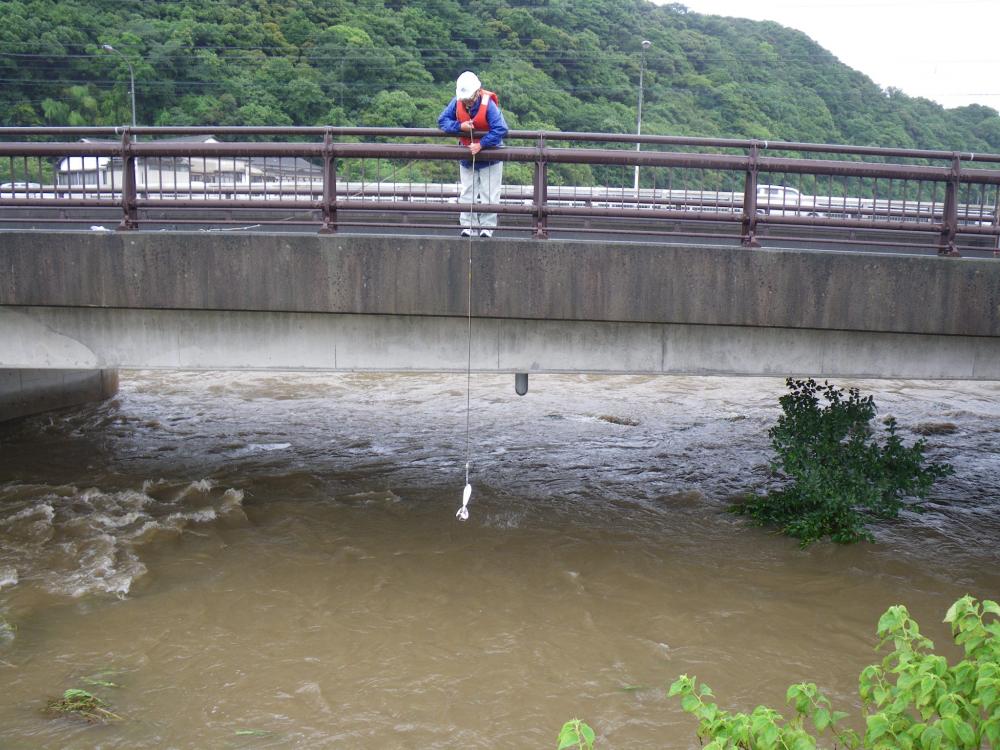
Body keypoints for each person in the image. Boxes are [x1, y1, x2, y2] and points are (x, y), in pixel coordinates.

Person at [438, 71, 508, 238]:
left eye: (469, 97)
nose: (467, 101)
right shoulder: (457, 102)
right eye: (465, 99)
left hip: (490, 157)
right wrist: (459, 126)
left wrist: (481, 144)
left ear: (478, 92)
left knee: (489, 194)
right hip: (467, 156)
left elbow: (501, 128)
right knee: (467, 192)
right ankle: (468, 226)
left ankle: (487, 228)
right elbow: (442, 121)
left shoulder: (488, 104)